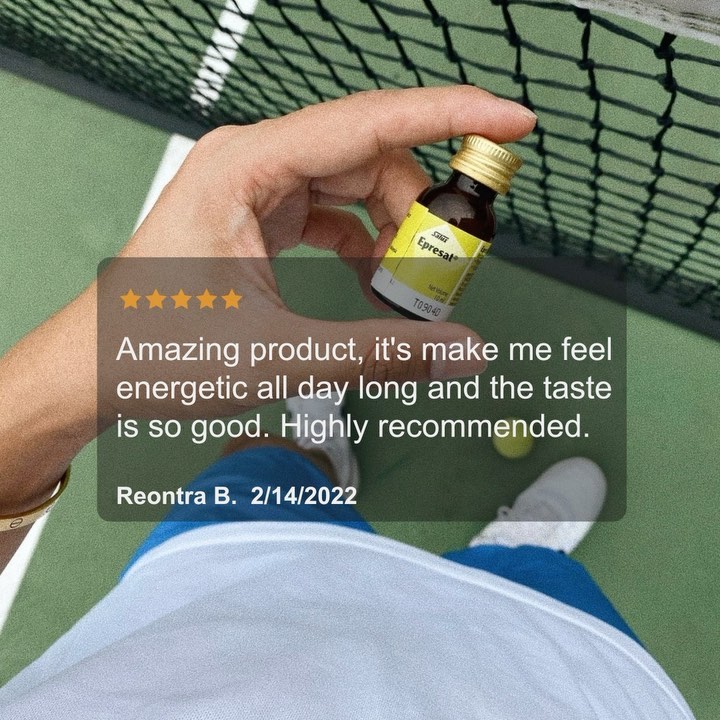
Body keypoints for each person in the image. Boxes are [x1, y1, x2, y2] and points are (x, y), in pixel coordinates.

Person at [0, 87, 694, 718]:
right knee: (534, 588)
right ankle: (510, 560)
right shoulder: (459, 214)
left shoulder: (457, 212)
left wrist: (75, 384)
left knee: (260, 460)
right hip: (548, 672)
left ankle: (323, 462)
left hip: (218, 582)